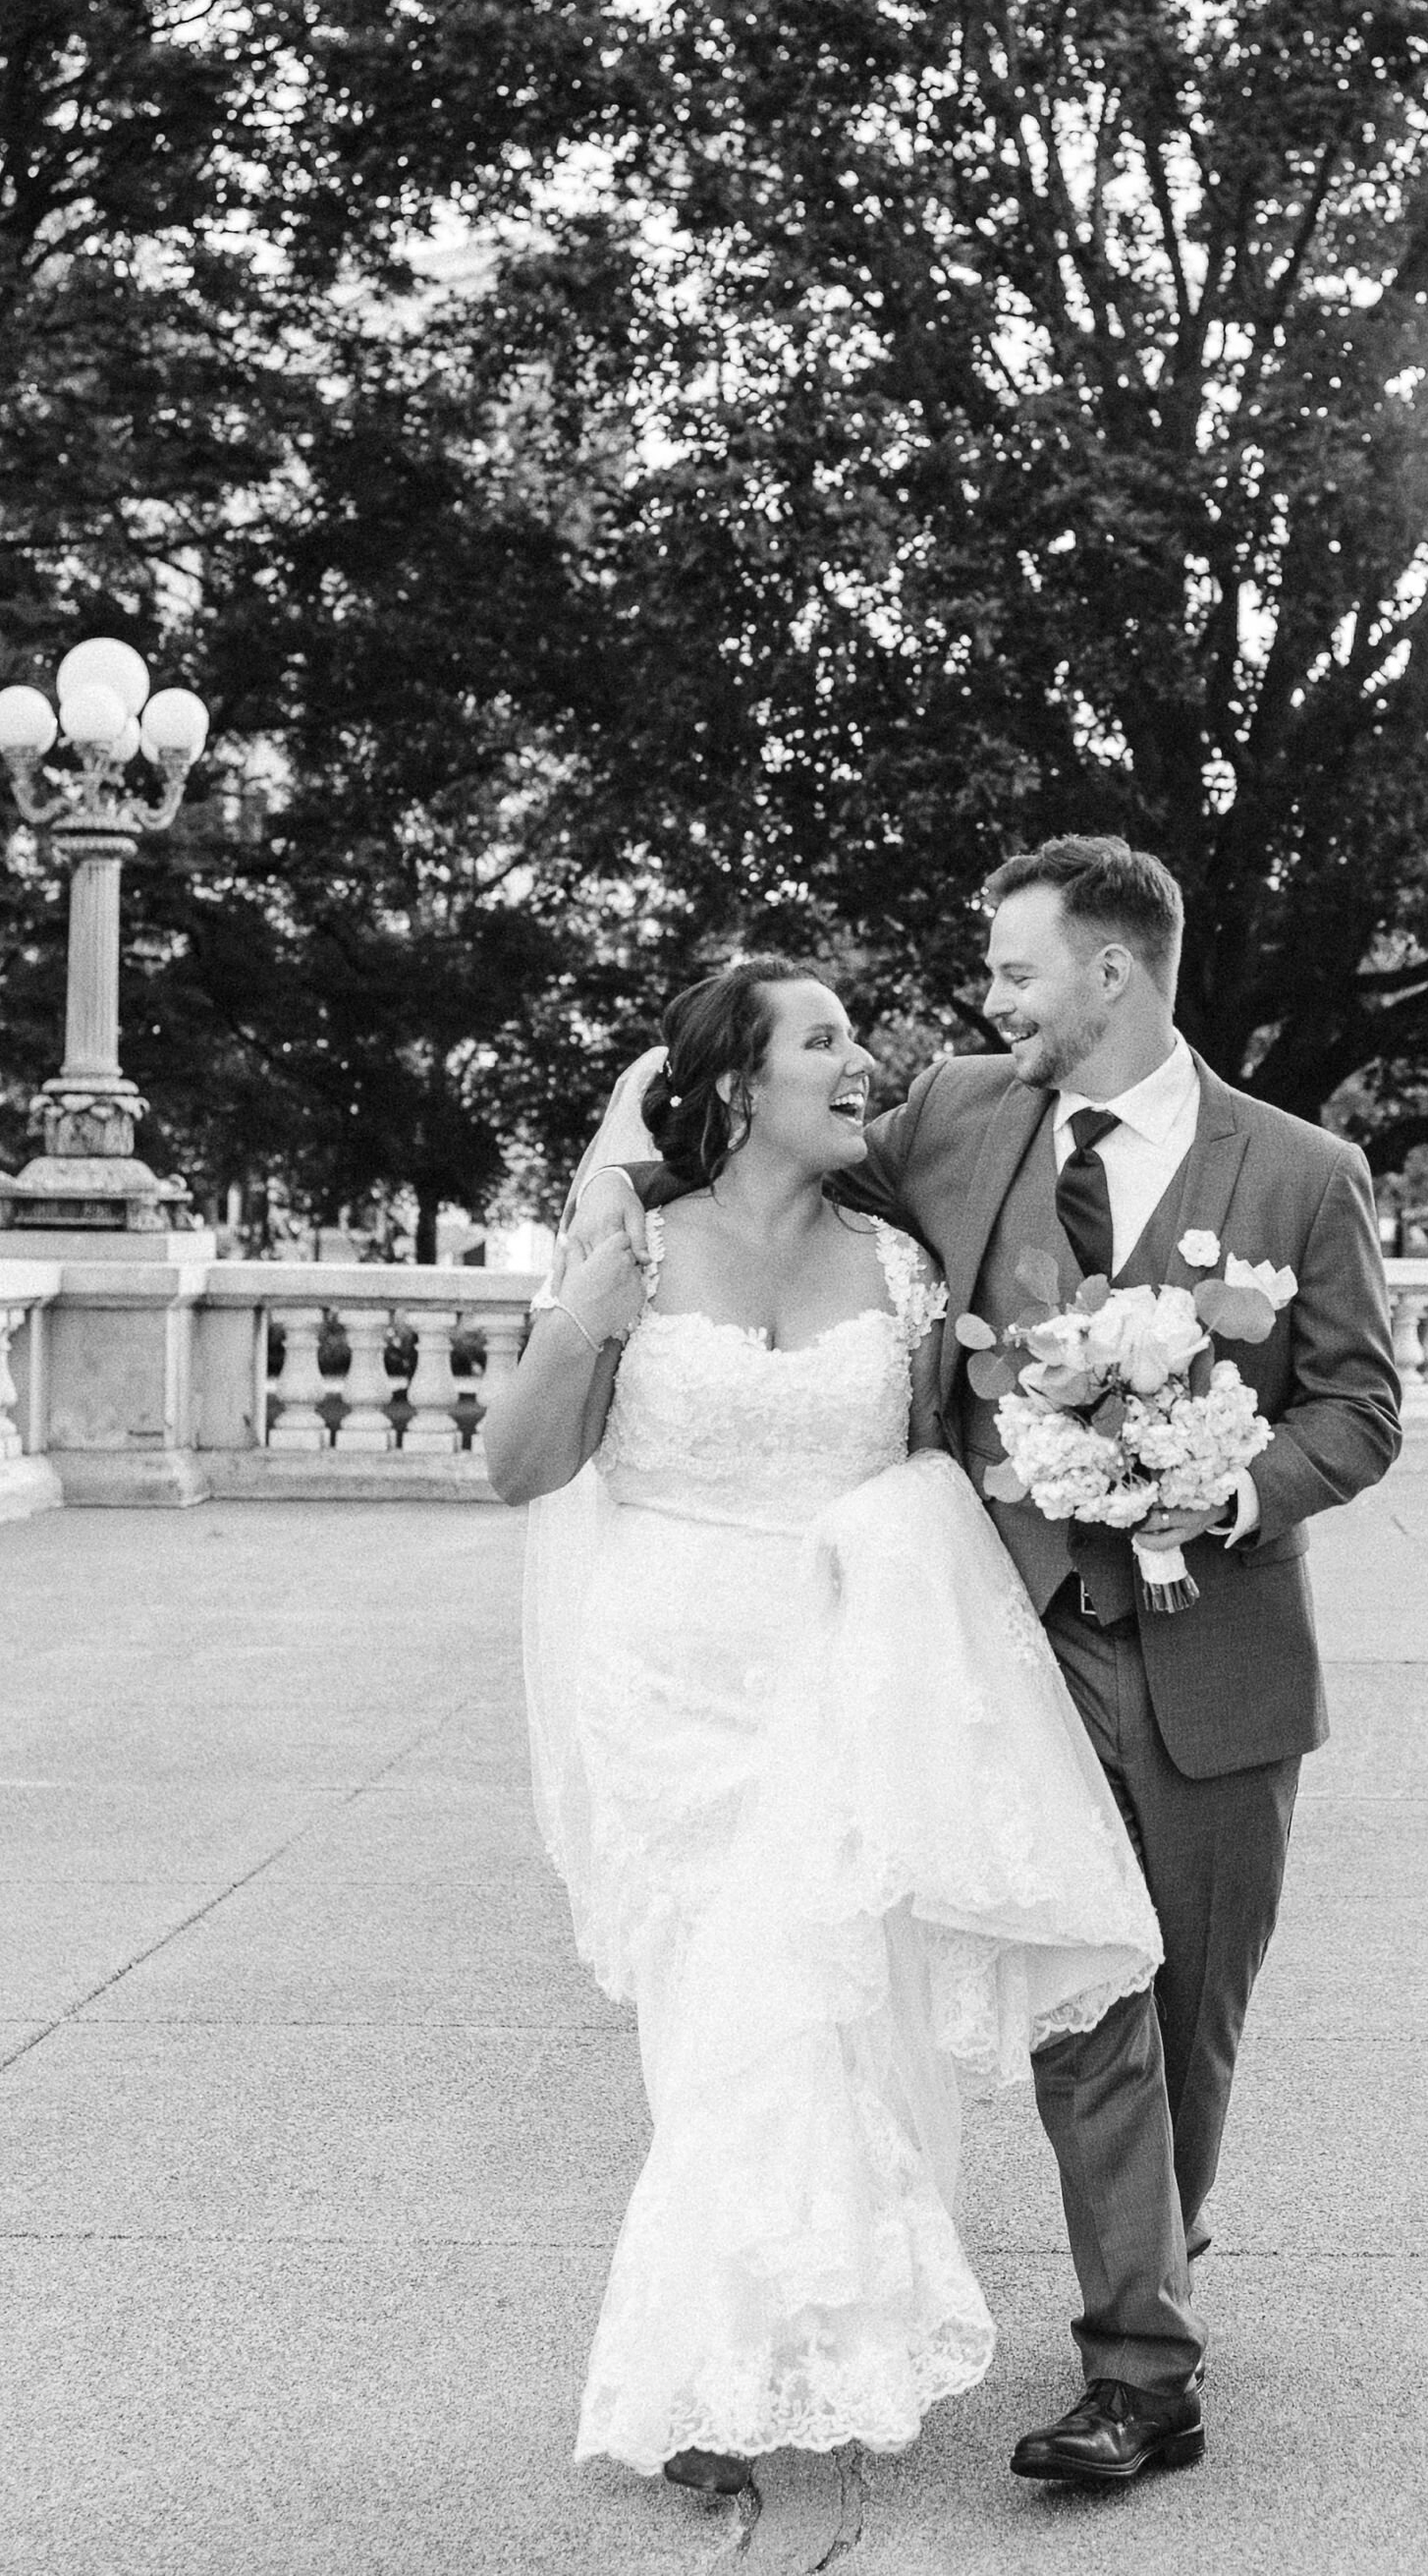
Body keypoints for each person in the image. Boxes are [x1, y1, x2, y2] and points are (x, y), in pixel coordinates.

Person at [564, 837, 1402, 2487]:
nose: (988, 999)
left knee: (1191, 2018)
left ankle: (1154, 2271)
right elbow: (732, 1129)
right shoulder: (955, 1107)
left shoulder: (1302, 1171)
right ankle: (1140, 2371)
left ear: (1111, 973)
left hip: (1216, 1658)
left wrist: (1220, 1486)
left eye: (1018, 970)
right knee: (1081, 1990)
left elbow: (1361, 1410)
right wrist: (606, 1196)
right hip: (990, 1638)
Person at [485, 957, 1162, 2490]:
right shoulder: (628, 1256)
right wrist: (582, 1323)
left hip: (845, 1671)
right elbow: (520, 1470)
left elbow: (945, 1470)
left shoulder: (904, 1275)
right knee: (719, 2020)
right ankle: (717, 2363)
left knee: (816, 2011)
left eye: (857, 1034)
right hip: (665, 1682)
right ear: (738, 1088)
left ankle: (746, 2366)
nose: (868, 1059)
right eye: (825, 1039)